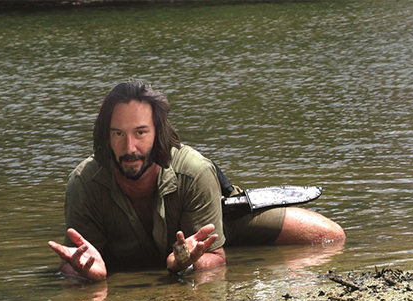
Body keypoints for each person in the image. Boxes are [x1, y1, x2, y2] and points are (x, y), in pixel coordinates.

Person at [48, 81, 345, 282]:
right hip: (169, 241)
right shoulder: (84, 183)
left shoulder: (195, 172)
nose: (129, 148)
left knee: (330, 236)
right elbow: (76, 260)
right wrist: (84, 277)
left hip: (212, 222)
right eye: (118, 134)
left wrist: (189, 263)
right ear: (106, 137)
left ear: (158, 134)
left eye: (141, 133)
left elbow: (215, 258)